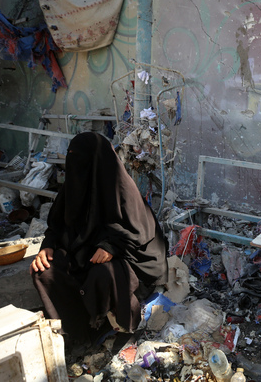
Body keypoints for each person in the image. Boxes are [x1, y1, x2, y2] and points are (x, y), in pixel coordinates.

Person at [30, 132, 169, 346]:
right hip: (81, 252)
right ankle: (76, 331)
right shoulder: (72, 189)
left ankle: (116, 323)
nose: (75, 166)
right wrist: (47, 246)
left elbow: (139, 230)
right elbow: (57, 225)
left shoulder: (120, 188)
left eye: (82, 159)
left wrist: (111, 246)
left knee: (103, 274)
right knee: (44, 272)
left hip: (128, 257)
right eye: (71, 157)